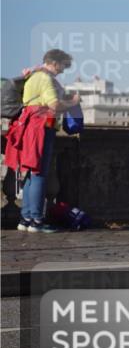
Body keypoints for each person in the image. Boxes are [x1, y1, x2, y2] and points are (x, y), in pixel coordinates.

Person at [4, 49, 79, 232]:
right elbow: (54, 105)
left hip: (28, 127)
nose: (63, 70)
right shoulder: (45, 79)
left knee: (30, 174)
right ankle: (36, 220)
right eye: (63, 66)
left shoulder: (32, 76)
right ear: (54, 63)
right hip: (41, 128)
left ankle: (25, 219)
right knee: (39, 174)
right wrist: (74, 102)